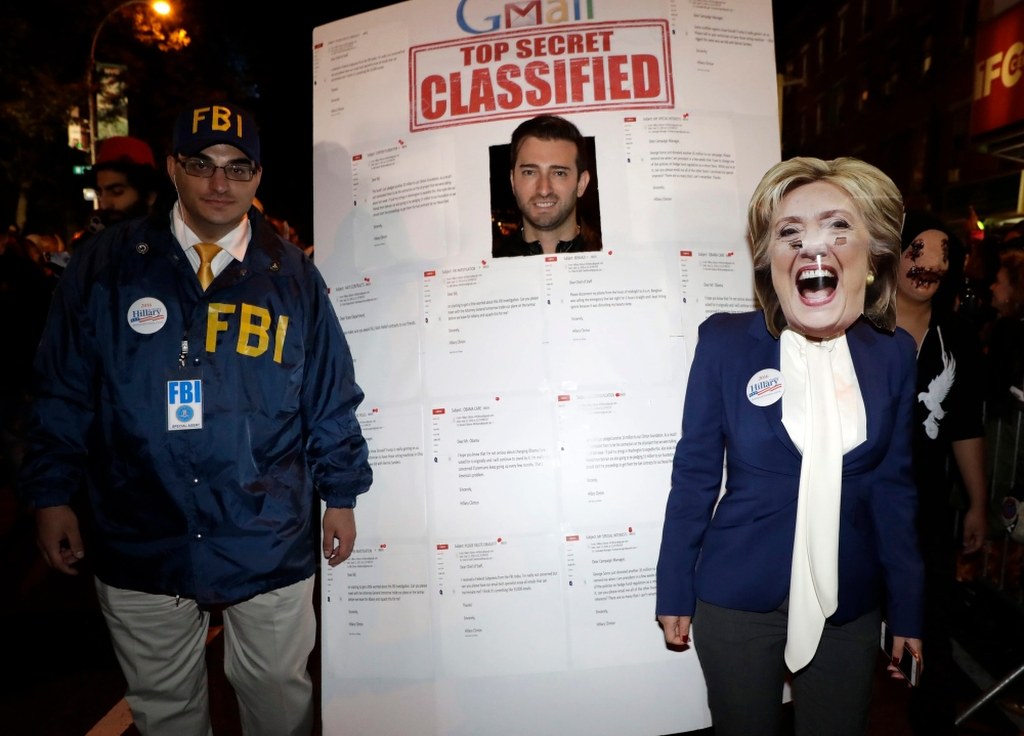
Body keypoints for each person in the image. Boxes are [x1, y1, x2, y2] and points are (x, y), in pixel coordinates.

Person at [19, 101, 372, 736]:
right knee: (165, 707)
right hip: (139, 524)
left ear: (258, 176)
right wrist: (51, 492)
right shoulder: (106, 266)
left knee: (278, 696)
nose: (219, 182)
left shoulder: (292, 275)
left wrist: (340, 494)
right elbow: (62, 387)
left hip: (265, 530)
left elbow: (328, 395)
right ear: (172, 168)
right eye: (201, 163)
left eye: (238, 167)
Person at [656, 156, 924, 735]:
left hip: (848, 604)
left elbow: (894, 491)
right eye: (791, 234)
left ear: (875, 254)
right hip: (737, 598)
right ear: (770, 260)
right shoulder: (725, 344)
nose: (812, 248)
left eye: (838, 227)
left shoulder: (895, 354)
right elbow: (695, 474)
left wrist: (908, 607)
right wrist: (673, 587)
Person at [895, 210, 988, 735]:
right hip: (856, 503)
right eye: (918, 249)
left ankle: (929, 722)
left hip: (927, 504)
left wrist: (977, 503)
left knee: (930, 619)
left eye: (942, 254)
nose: (929, 264)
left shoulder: (957, 335)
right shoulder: (857, 325)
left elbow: (966, 424)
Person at [492, 114, 601, 257]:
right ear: (513, 181)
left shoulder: (612, 257)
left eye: (559, 173)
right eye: (530, 172)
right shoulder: (491, 261)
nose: (544, 190)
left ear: (581, 183)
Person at [72, 135, 166, 247]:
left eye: (116, 191)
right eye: (100, 193)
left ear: (150, 196)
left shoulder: (170, 245)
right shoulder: (90, 244)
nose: (104, 204)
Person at [986, 248, 1024, 414]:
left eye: (998, 282)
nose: (992, 287)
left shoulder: (1008, 330)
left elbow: (994, 386)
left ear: (1014, 290)